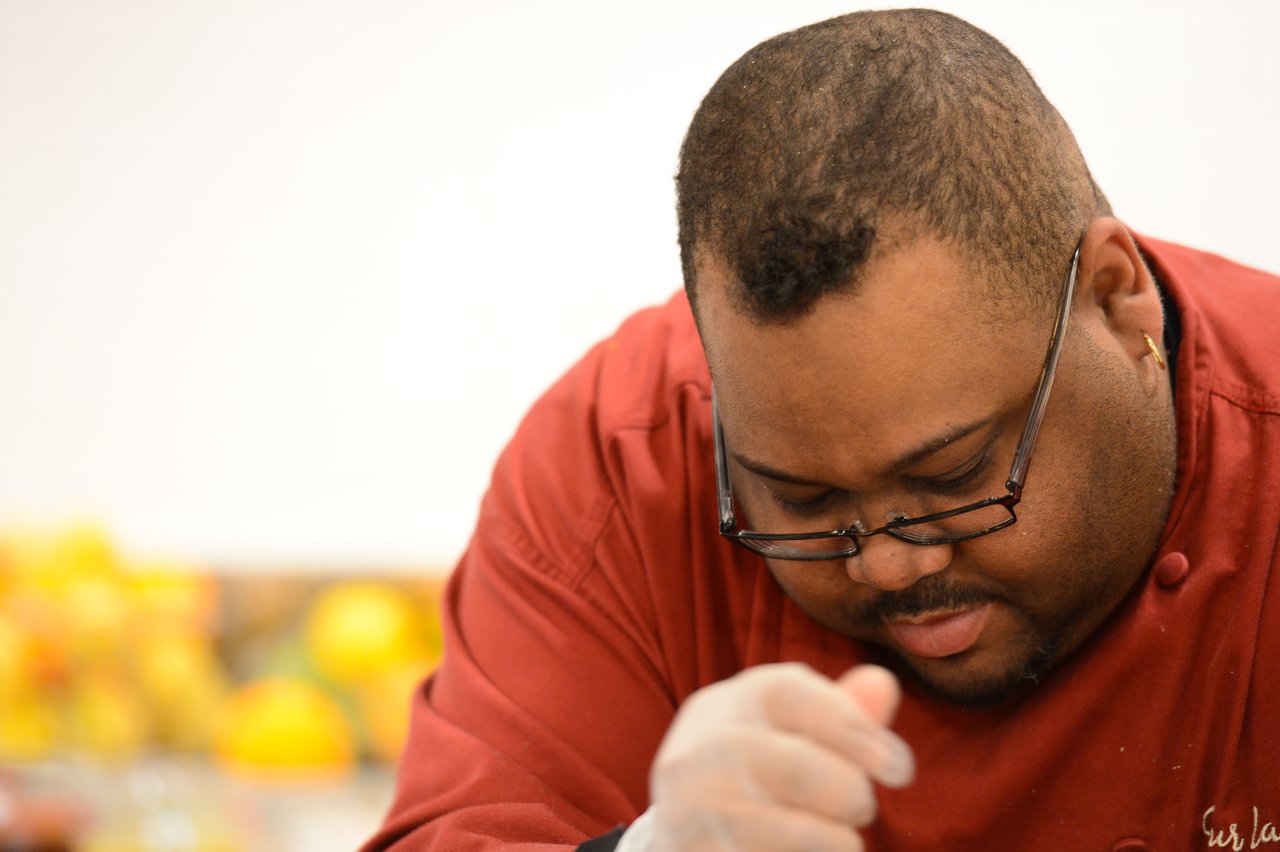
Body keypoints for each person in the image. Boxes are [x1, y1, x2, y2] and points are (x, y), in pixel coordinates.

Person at [365, 9, 1280, 850]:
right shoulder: (623, 452)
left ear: (1118, 303)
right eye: (802, 497)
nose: (888, 563)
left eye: (957, 474)